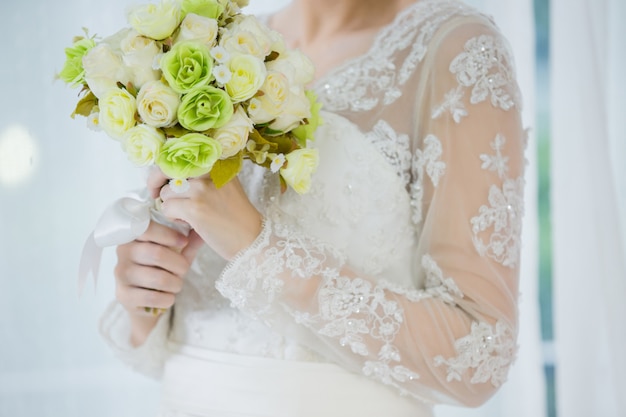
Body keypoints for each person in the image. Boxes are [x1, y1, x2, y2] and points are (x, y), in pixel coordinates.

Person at [100, 0, 526, 415]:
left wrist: (257, 246)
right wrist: (146, 296)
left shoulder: (452, 48)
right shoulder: (215, 43)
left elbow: (478, 356)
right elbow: (175, 343)